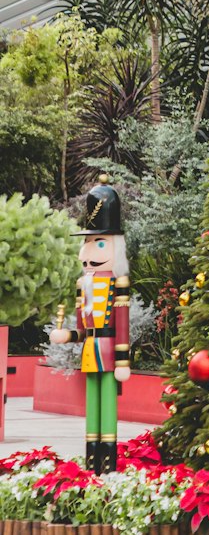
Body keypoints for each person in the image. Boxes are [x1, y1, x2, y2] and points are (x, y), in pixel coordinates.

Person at [50, 176, 130, 473]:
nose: (88, 252)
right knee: (91, 403)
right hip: (89, 349)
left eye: (98, 242)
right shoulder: (82, 285)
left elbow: (121, 325)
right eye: (88, 242)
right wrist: (67, 335)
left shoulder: (118, 282)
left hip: (109, 349)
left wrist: (123, 359)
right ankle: (91, 458)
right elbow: (83, 328)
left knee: (107, 400)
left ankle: (107, 462)